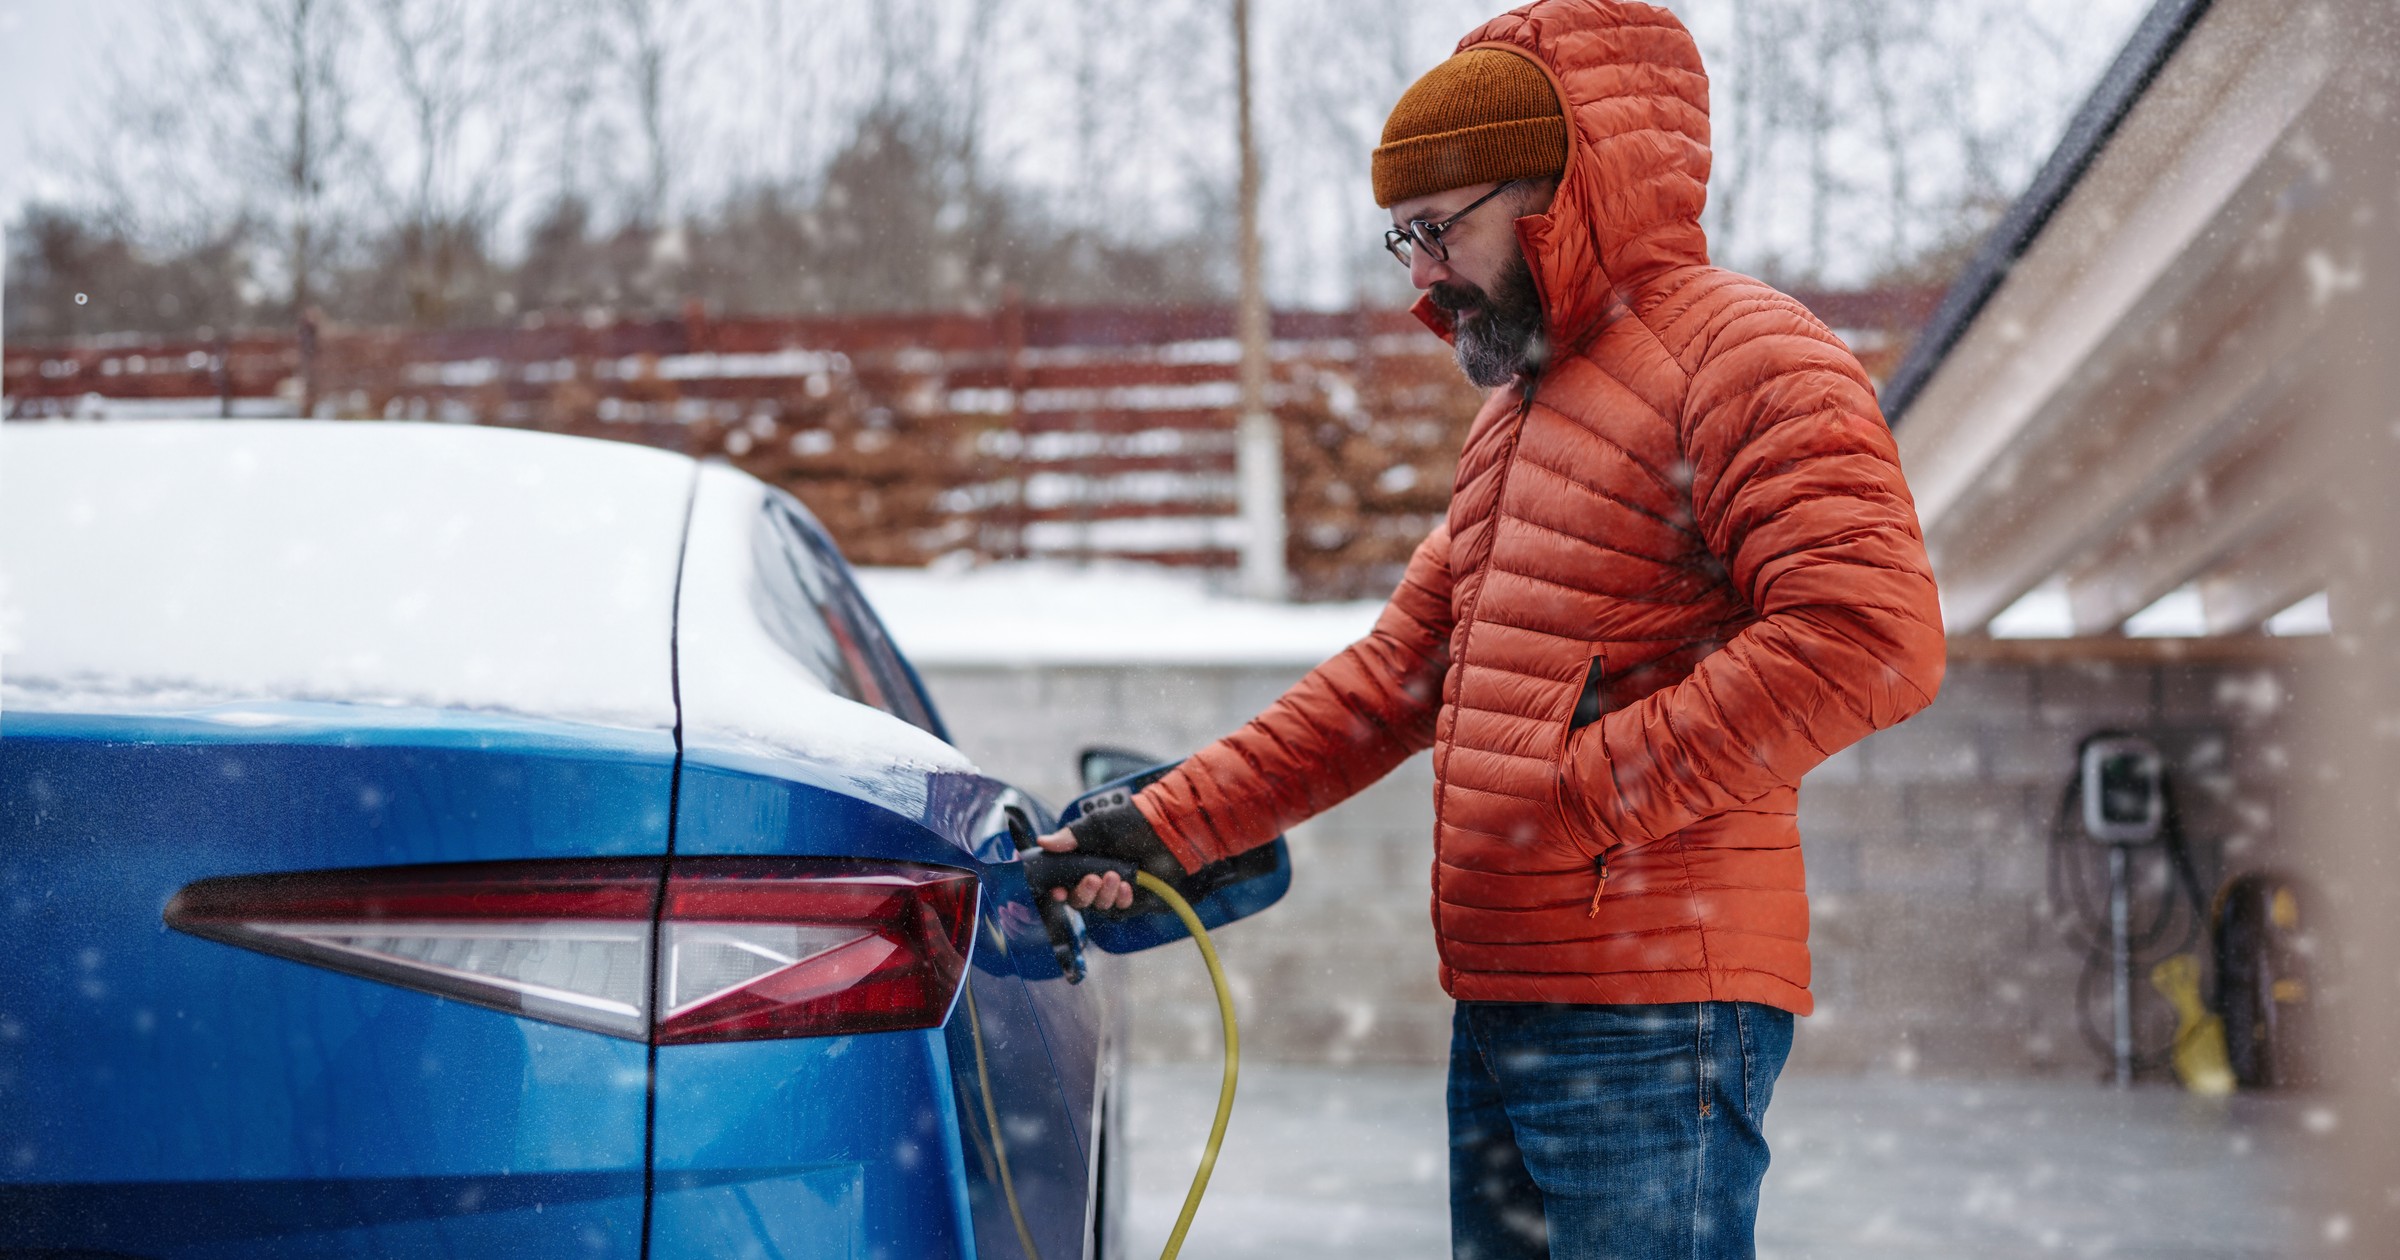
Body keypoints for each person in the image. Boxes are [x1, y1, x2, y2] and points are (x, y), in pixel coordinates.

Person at [1038, 2, 1945, 1255]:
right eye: (1400, 238)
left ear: (1559, 192)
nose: (1418, 273)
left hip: (1652, 1004)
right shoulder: (1519, 420)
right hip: (1513, 993)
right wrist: (1171, 823)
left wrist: (1575, 794)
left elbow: (1869, 635)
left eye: (1437, 228)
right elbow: (1392, 682)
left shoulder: (1750, 358)